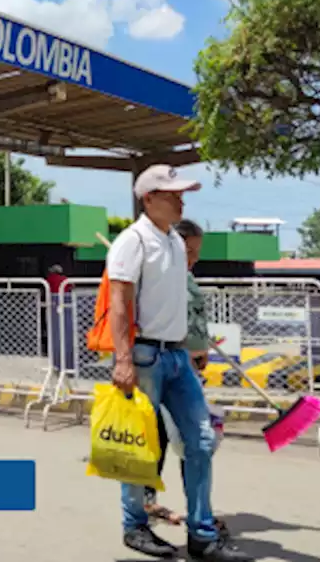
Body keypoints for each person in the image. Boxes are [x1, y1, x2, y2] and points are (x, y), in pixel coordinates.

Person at [107, 166, 246, 561]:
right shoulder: (132, 241)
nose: (181, 200)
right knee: (140, 447)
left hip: (177, 356)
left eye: (182, 193)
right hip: (145, 355)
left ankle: (202, 535)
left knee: (201, 441)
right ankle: (134, 526)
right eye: (172, 194)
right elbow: (120, 302)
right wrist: (123, 359)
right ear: (148, 198)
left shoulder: (171, 241)